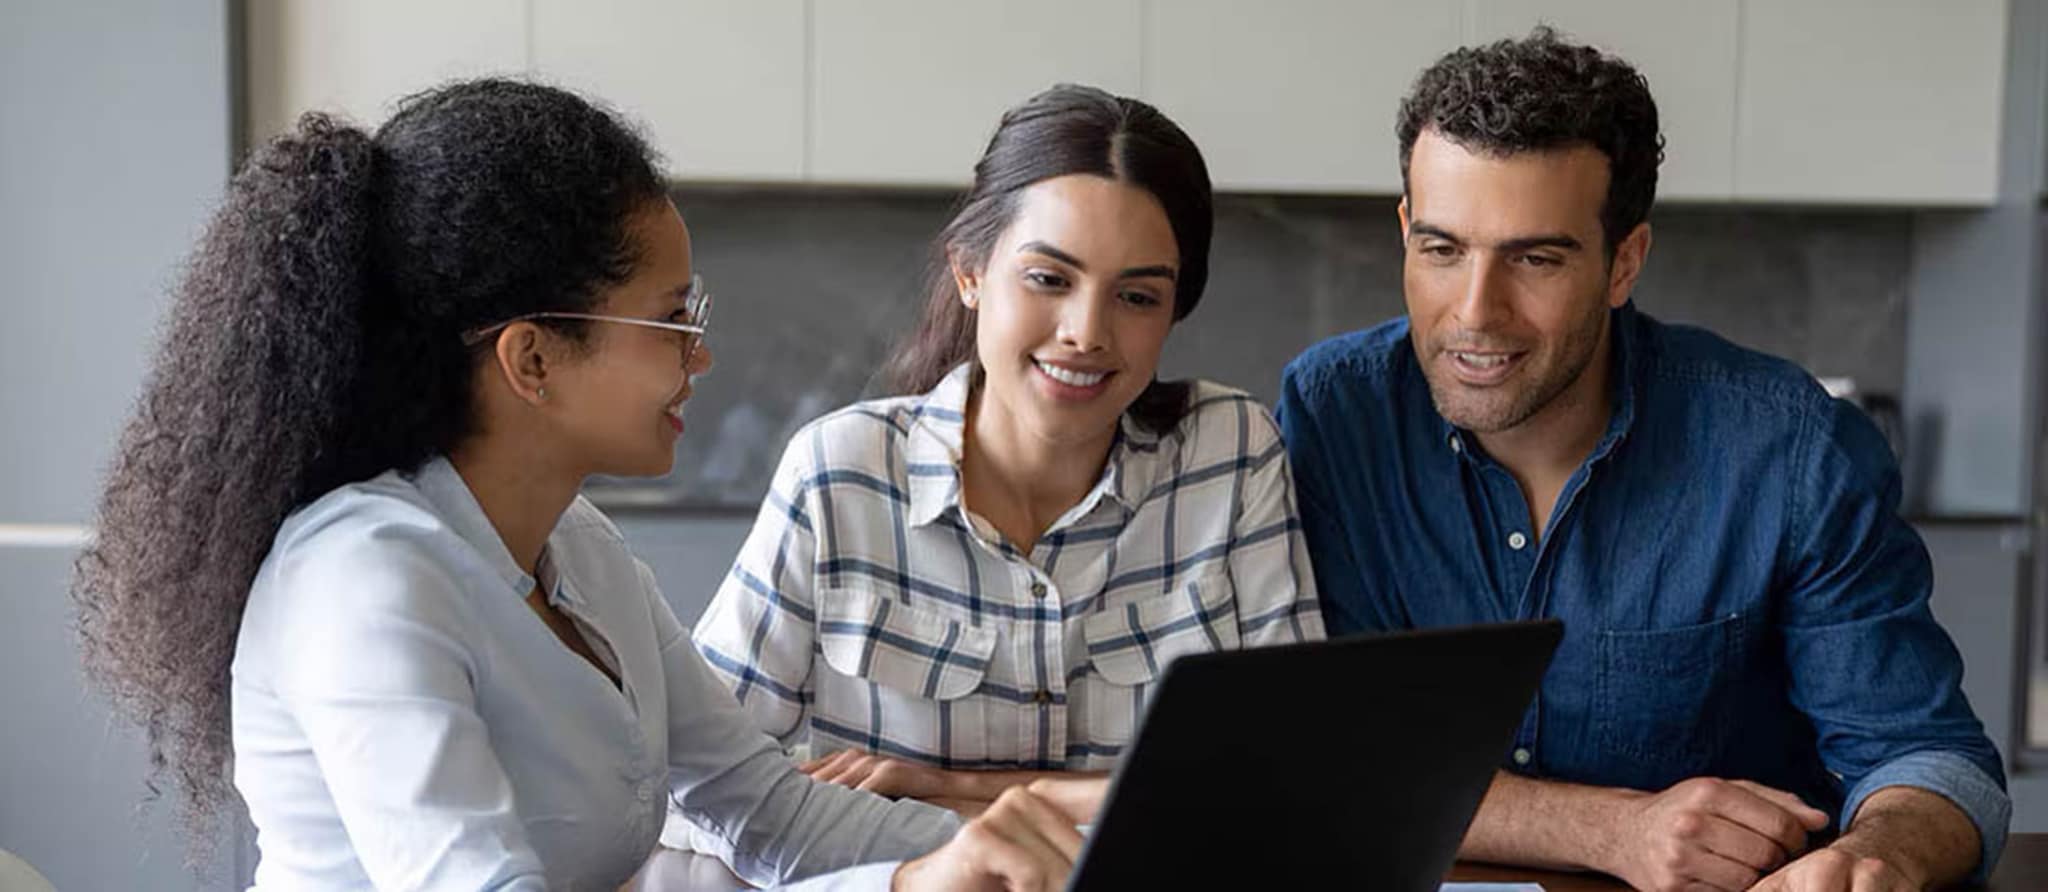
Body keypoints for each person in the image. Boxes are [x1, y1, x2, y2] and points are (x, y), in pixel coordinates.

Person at [72, 78, 1103, 891]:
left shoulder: (579, 553)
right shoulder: (365, 578)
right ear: (531, 360)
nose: (699, 360)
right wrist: (922, 881)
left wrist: (996, 859)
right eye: (671, 321)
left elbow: (771, 812)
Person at [1276, 28, 2009, 892]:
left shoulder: (1790, 450)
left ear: (1625, 261)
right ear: (1405, 229)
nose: (1475, 312)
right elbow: (1327, 752)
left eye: (1536, 258)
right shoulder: (1335, 413)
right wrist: (1613, 828)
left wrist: (1876, 856)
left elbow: (1932, 759)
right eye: (1441, 249)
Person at [685, 83, 1324, 824]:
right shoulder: (841, 473)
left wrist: (968, 790)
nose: (1087, 331)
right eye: (1049, 279)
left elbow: (1298, 772)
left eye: (1138, 297)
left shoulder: (1232, 454)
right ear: (970, 273)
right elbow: (698, 779)